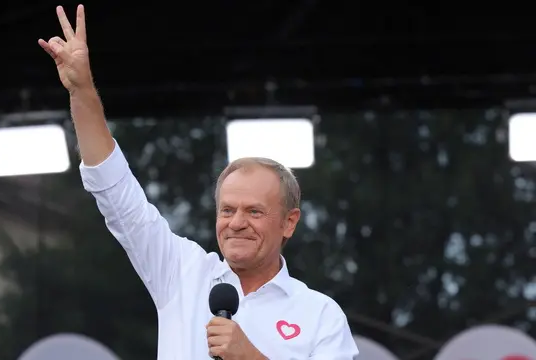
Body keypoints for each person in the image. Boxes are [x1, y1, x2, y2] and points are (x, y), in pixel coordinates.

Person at [38, 4, 359, 359]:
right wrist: (81, 90)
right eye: (227, 210)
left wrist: (249, 356)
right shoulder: (182, 273)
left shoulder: (320, 316)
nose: (237, 223)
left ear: (289, 222)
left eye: (254, 211)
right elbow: (115, 190)